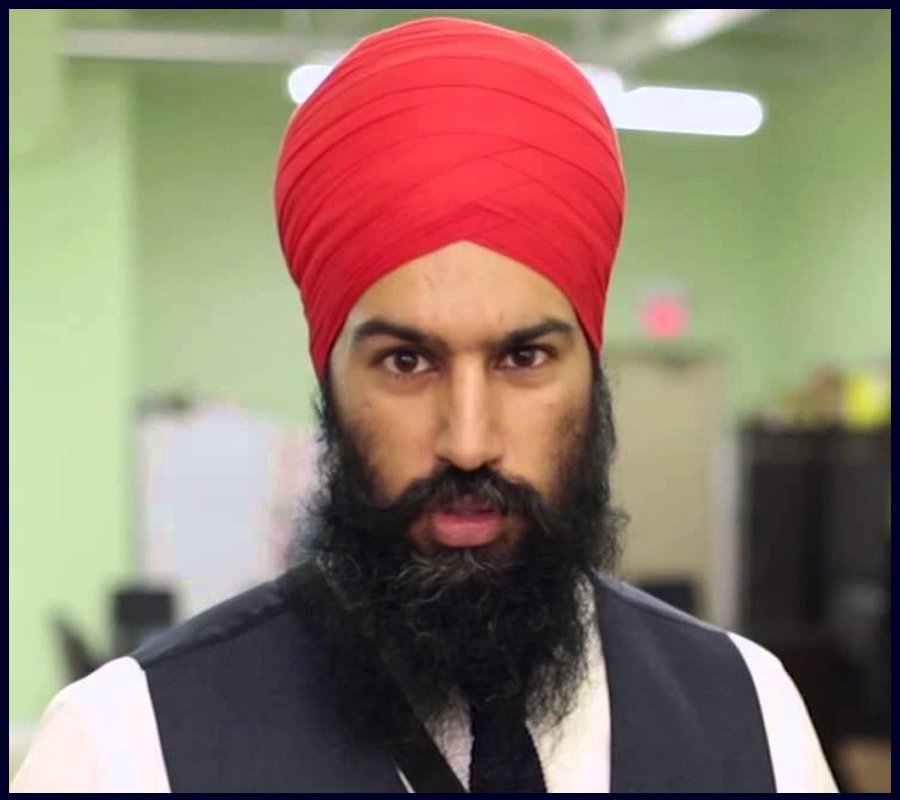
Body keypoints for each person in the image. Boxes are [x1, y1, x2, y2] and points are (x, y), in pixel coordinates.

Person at [12, 16, 837, 793]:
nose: (468, 442)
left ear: (593, 373)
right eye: (407, 362)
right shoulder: (127, 748)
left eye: (523, 358)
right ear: (330, 384)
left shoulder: (751, 717)